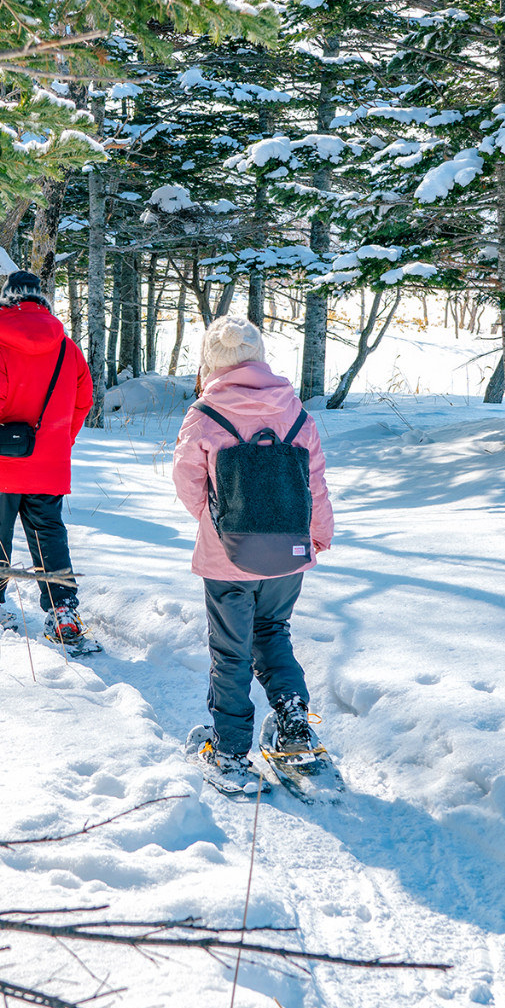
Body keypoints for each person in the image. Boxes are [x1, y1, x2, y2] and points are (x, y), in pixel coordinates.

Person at [172, 315, 334, 792]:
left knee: (230, 651)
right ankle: (294, 727)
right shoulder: (294, 410)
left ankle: (229, 749)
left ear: (211, 363)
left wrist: (215, 521)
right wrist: (318, 533)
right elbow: (315, 482)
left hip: (228, 558)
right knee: (273, 632)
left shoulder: (205, 413)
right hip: (289, 550)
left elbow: (187, 483)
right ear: (259, 357)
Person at [0, 270, 93, 646]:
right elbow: (84, 402)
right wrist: (59, 441)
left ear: (6, 298)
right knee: (49, 535)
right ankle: (63, 610)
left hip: (1, 461)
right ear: (41, 299)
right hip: (48, 464)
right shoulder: (68, 348)